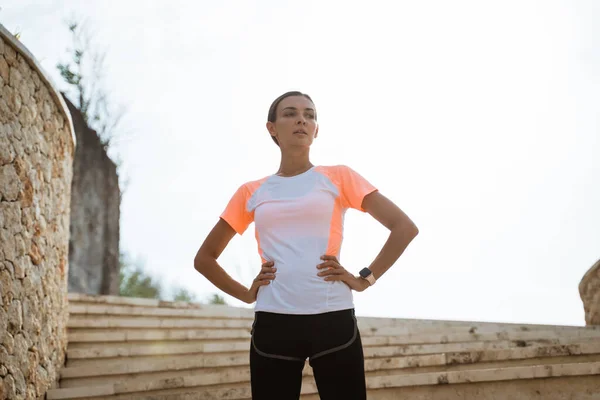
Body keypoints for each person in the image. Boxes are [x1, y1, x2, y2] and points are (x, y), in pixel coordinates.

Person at [194, 91, 419, 400]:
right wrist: (246, 294)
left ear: (316, 129)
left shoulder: (338, 177)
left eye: (309, 114)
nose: (302, 119)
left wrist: (364, 278)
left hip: (333, 318)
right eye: (290, 113)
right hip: (274, 323)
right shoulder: (251, 192)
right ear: (272, 128)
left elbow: (404, 228)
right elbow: (205, 258)